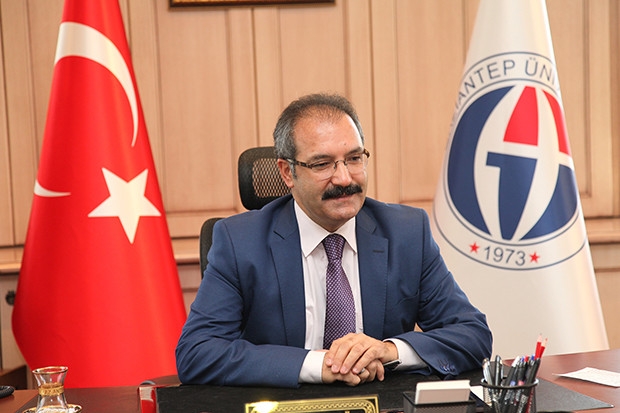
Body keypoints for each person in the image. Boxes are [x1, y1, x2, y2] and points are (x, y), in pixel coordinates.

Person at [176, 93, 492, 388]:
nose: (343, 178)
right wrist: (320, 365)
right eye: (322, 164)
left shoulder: (406, 232)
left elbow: (472, 334)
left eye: (354, 158)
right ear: (287, 173)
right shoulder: (240, 242)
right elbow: (197, 353)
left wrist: (388, 351)